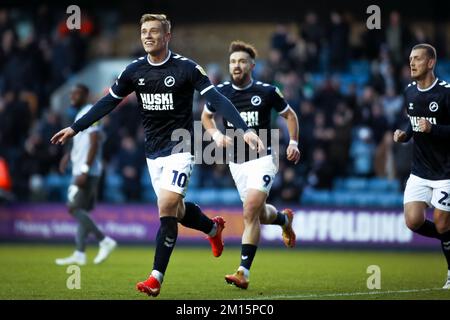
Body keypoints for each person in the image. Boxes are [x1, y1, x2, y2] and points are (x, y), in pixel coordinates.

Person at [51, 14, 263, 297]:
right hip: (153, 153)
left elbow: (217, 99)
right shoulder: (133, 71)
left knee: (166, 208)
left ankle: (155, 278)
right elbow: (107, 103)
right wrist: (76, 128)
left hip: (180, 148)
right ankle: (212, 228)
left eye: (153, 31)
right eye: (143, 31)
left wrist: (244, 128)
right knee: (177, 210)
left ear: (167, 37)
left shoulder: (187, 68)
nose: (147, 36)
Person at [201, 41, 300, 289]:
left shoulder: (267, 91)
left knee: (250, 210)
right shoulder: (220, 92)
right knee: (258, 212)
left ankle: (243, 271)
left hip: (265, 157)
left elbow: (290, 115)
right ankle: (283, 220)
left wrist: (294, 142)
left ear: (252, 65)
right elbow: (206, 116)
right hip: (237, 162)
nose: (237, 65)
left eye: (242, 61)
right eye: (233, 61)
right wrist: (214, 134)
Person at [393, 44, 450, 288]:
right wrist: (405, 135)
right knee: (413, 221)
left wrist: (434, 129)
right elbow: (413, 121)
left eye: (417, 59)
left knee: (441, 222)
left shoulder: (446, 93)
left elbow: (429, 126)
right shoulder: (409, 92)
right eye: (410, 59)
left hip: (446, 172)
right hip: (420, 171)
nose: (412, 63)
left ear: (430, 63)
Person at [55, 84, 117, 266]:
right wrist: (68, 155)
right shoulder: (81, 112)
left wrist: (84, 170)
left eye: (77, 93)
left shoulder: (90, 111)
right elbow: (81, 140)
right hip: (83, 168)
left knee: (73, 208)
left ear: (86, 94)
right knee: (83, 211)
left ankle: (104, 241)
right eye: (71, 93)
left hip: (87, 171)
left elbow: (94, 141)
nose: (73, 96)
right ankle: (80, 253)